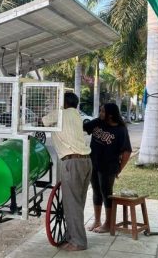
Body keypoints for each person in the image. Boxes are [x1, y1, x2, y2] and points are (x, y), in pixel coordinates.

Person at [42, 93, 92, 251]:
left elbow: (41, 122)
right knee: (78, 203)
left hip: (72, 162)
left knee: (72, 204)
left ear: (64, 102)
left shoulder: (60, 113)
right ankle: (72, 236)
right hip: (86, 161)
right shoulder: (77, 115)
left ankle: (78, 242)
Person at [84, 103, 132, 233]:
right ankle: (97, 220)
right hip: (94, 163)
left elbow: (127, 152)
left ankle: (108, 223)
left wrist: (119, 168)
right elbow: (82, 128)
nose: (100, 113)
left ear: (110, 115)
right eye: (100, 111)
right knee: (96, 192)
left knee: (107, 194)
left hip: (109, 166)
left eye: (103, 111)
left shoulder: (121, 130)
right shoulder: (97, 122)